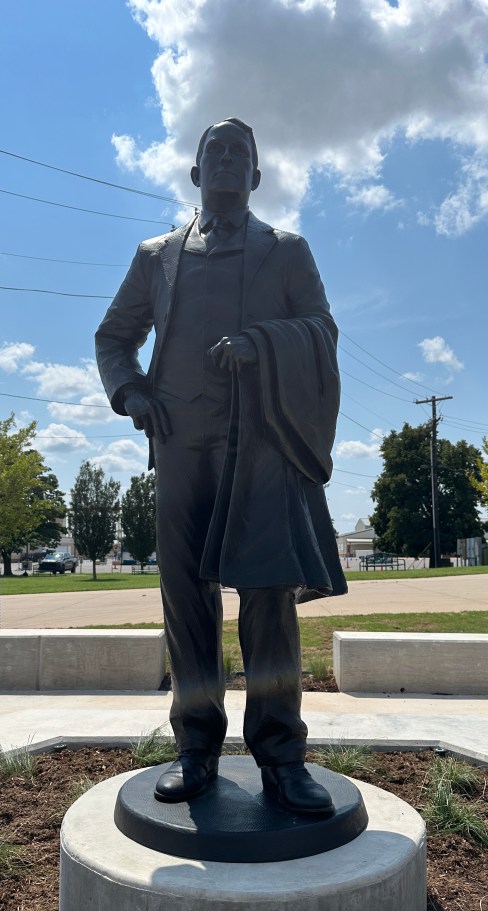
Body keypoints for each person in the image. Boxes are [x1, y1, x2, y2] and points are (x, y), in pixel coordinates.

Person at [95, 118, 346, 815]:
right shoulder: (156, 256)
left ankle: (282, 758)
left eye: (242, 153)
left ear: (257, 177)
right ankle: (196, 750)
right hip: (181, 447)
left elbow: (322, 330)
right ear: (197, 173)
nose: (229, 160)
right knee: (186, 601)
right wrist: (133, 391)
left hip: (259, 448)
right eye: (216, 152)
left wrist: (263, 344)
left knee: (268, 601)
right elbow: (115, 336)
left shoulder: (287, 251)